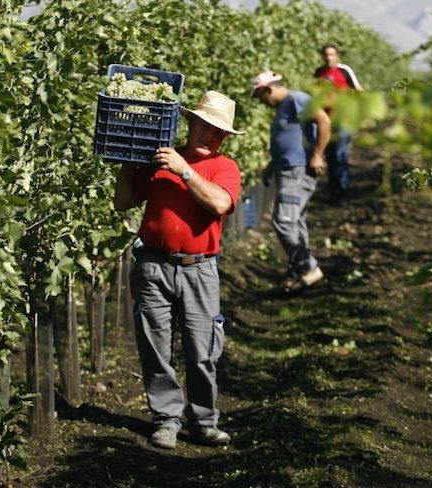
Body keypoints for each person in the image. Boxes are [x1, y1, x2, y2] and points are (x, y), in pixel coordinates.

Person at [113, 90, 244, 450]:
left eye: (219, 133)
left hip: (198, 270)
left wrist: (184, 171)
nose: (211, 136)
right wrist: (130, 160)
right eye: (206, 127)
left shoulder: (223, 168)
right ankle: (166, 420)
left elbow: (220, 202)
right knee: (155, 347)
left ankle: (203, 421)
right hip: (153, 265)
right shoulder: (160, 160)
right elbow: (123, 201)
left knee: (202, 351)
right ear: (190, 124)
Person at [252, 71, 330, 291]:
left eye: (260, 97)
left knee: (284, 221)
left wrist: (317, 154)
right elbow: (286, 141)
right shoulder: (285, 107)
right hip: (287, 168)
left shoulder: (297, 99)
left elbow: (323, 120)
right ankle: (298, 271)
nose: (262, 102)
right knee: (295, 220)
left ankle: (307, 268)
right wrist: (270, 167)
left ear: (268, 89)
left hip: (296, 170)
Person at [314, 44, 363, 204]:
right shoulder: (319, 73)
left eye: (332, 54)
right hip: (325, 122)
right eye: (326, 54)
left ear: (337, 56)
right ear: (322, 56)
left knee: (339, 154)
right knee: (329, 155)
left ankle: (341, 193)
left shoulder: (344, 71)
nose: (329, 57)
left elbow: (359, 91)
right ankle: (333, 192)